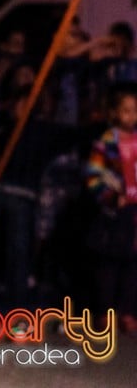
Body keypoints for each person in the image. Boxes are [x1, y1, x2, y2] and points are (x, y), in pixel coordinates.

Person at [83, 83, 137, 332]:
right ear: (115, 113)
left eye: (135, 110)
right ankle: (106, 312)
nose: (131, 115)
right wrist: (111, 196)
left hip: (134, 214)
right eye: (126, 110)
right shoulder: (106, 141)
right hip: (113, 212)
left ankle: (127, 311)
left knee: (132, 263)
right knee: (108, 263)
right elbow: (93, 175)